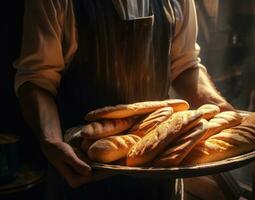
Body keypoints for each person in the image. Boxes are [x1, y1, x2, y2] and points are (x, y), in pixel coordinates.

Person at [14, 0, 234, 199]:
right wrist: (51, 141)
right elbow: (37, 80)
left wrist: (218, 105)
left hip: (159, 178)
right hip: (81, 174)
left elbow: (184, 65)